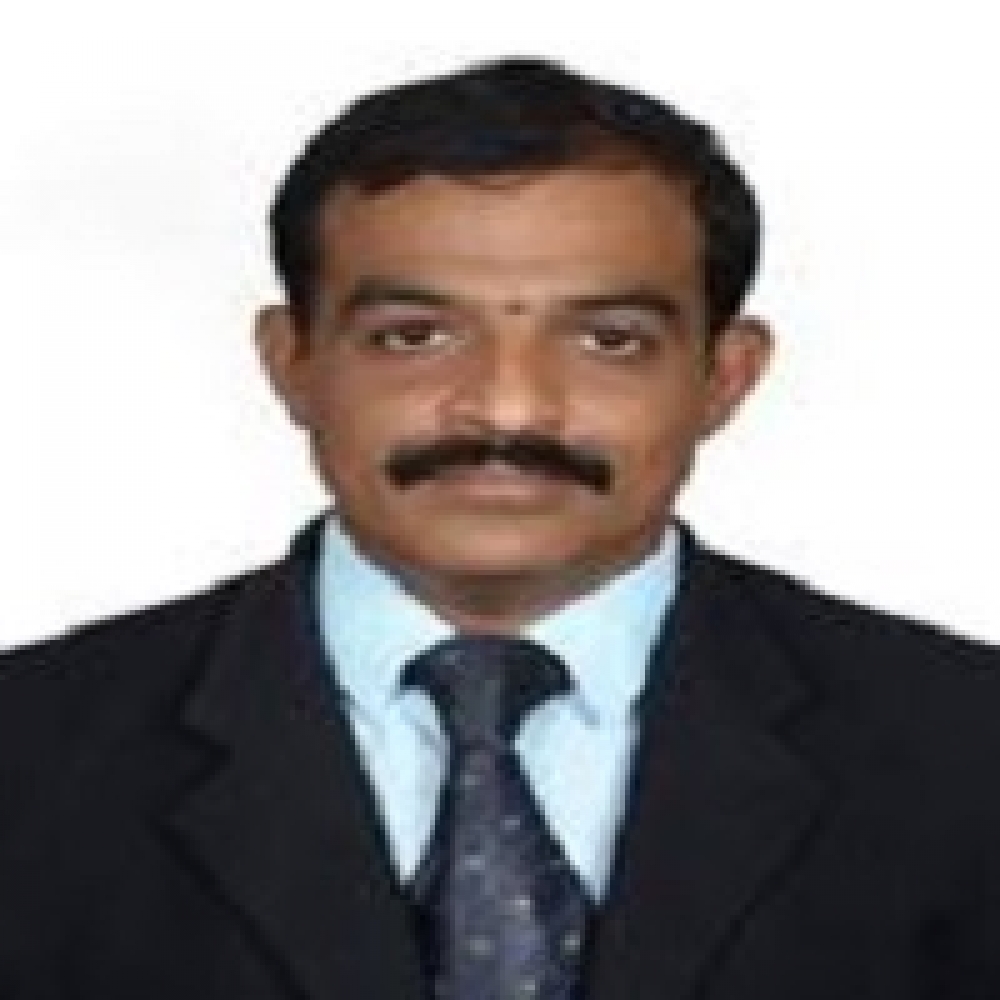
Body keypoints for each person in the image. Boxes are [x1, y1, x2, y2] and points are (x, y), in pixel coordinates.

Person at [1, 55, 998, 1000]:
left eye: (609, 340)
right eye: (413, 336)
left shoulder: (968, 753)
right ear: (290, 361)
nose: (507, 408)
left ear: (724, 376)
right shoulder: (30, 754)